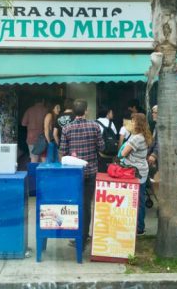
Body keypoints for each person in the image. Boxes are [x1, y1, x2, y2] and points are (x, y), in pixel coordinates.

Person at [60, 99, 105, 246]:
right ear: (86, 111)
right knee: (86, 205)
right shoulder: (95, 126)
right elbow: (102, 147)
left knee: (73, 204)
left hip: (73, 174)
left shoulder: (66, 128)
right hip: (90, 171)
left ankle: (75, 234)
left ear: (73, 112)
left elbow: (62, 153)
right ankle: (84, 237)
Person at [119, 112, 152, 235]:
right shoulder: (144, 135)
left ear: (138, 124)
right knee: (140, 199)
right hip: (141, 170)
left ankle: (138, 227)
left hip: (135, 172)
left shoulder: (137, 138)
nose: (131, 123)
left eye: (133, 121)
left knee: (137, 200)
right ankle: (139, 226)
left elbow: (123, 153)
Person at [22, 98, 47, 163]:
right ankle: (42, 173)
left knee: (33, 158)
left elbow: (23, 123)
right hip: (42, 138)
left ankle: (33, 172)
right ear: (43, 101)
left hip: (31, 137)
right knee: (43, 158)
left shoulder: (29, 110)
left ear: (34, 101)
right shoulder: (46, 110)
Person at [96, 105, 118, 173]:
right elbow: (115, 136)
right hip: (111, 154)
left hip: (99, 154)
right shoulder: (112, 124)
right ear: (107, 113)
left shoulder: (95, 123)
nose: (112, 114)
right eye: (111, 112)